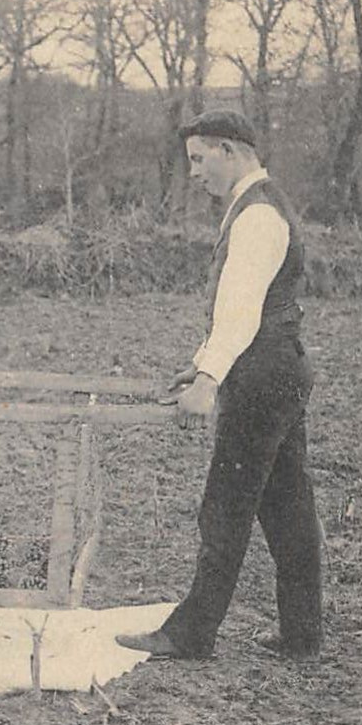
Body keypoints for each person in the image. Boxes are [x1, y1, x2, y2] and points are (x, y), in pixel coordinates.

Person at [117, 109, 324, 660]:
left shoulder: (256, 216)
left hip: (260, 376)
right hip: (279, 369)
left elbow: (239, 310)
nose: (193, 172)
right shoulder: (263, 203)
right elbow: (244, 312)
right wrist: (203, 361)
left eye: (198, 159)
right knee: (287, 506)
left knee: (225, 508)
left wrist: (209, 378)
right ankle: (303, 635)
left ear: (230, 150)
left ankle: (191, 634)